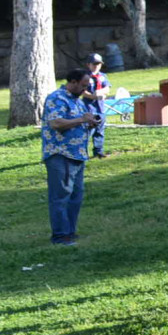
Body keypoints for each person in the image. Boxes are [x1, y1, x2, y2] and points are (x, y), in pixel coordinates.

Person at [40, 69, 98, 245]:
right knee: (61, 195)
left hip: (77, 155)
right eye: (83, 86)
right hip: (61, 154)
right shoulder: (57, 98)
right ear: (72, 82)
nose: (85, 90)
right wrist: (81, 120)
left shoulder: (77, 101)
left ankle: (70, 232)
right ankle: (60, 235)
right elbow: (56, 123)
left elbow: (78, 121)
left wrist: (90, 122)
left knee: (75, 196)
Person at [83, 54, 110, 158]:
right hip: (89, 108)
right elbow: (83, 91)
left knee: (100, 130)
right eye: (94, 64)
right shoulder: (85, 76)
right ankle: (83, 153)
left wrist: (101, 92)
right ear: (88, 64)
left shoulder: (102, 76)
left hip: (100, 108)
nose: (97, 66)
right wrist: (94, 97)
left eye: (99, 64)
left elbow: (107, 89)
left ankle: (98, 152)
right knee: (88, 131)